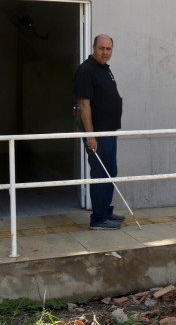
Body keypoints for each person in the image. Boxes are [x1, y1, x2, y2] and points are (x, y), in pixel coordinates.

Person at [74, 34, 125, 230]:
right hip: (98, 134)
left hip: (109, 131)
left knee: (110, 171)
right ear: (93, 48)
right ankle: (98, 219)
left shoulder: (104, 69)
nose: (105, 52)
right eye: (101, 48)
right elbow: (84, 104)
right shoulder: (86, 70)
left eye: (108, 49)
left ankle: (106, 211)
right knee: (101, 172)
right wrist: (91, 135)